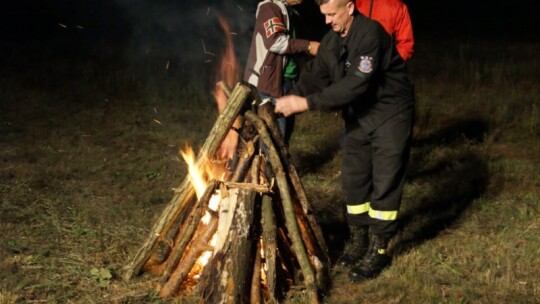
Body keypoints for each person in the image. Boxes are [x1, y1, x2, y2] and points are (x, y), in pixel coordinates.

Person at [274, 0, 415, 282]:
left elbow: (354, 85)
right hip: (359, 116)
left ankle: (379, 247)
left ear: (350, 7)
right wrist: (287, 99)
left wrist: (306, 103)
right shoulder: (332, 40)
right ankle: (359, 239)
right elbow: (316, 75)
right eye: (323, 15)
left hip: (389, 114)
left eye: (332, 14)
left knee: (385, 181)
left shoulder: (370, 35)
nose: (327, 21)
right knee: (354, 179)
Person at [217, 0, 320, 160]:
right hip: (272, 80)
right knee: (276, 131)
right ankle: (268, 173)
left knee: (285, 129)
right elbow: (275, 42)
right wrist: (308, 46)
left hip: (287, 79)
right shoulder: (270, 8)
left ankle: (275, 170)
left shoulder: (289, 11)